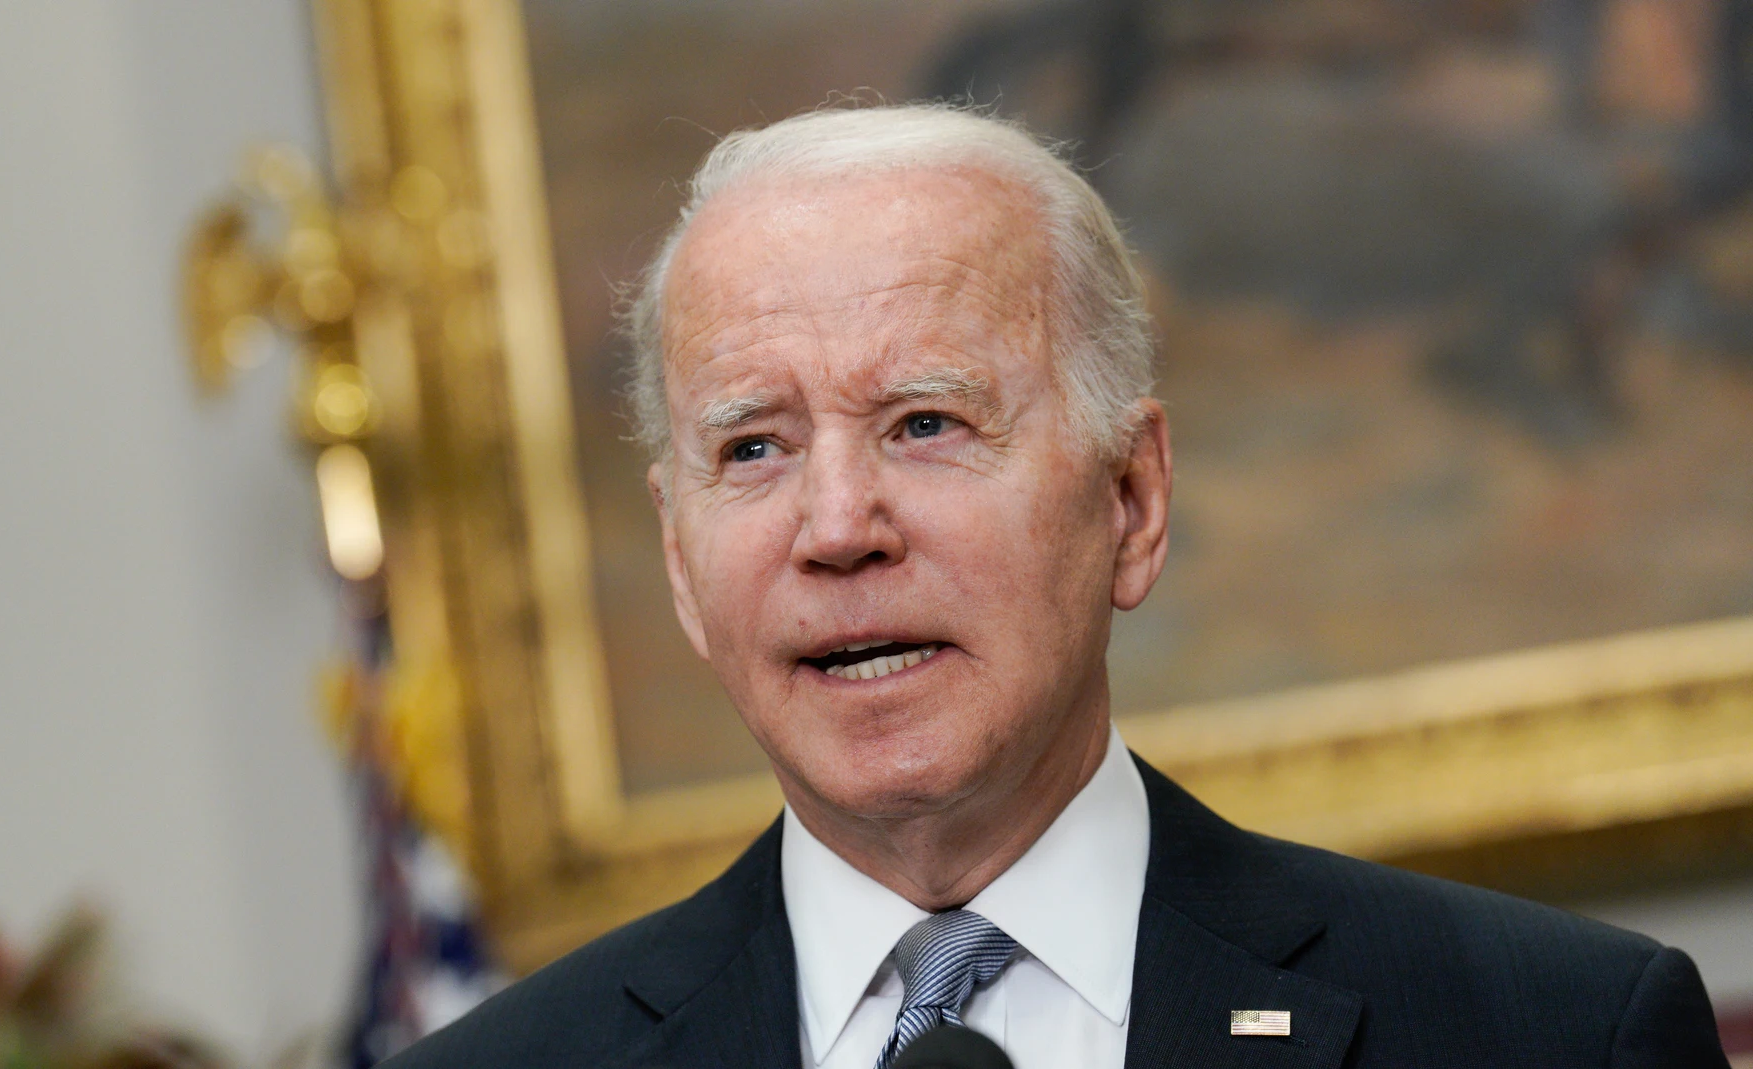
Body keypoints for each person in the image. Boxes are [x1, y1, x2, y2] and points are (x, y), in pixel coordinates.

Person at [385, 104, 1730, 1068]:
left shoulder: (1552, 1033)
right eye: (755, 448)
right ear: (683, 563)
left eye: (925, 423)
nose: (838, 526)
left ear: (1132, 500)